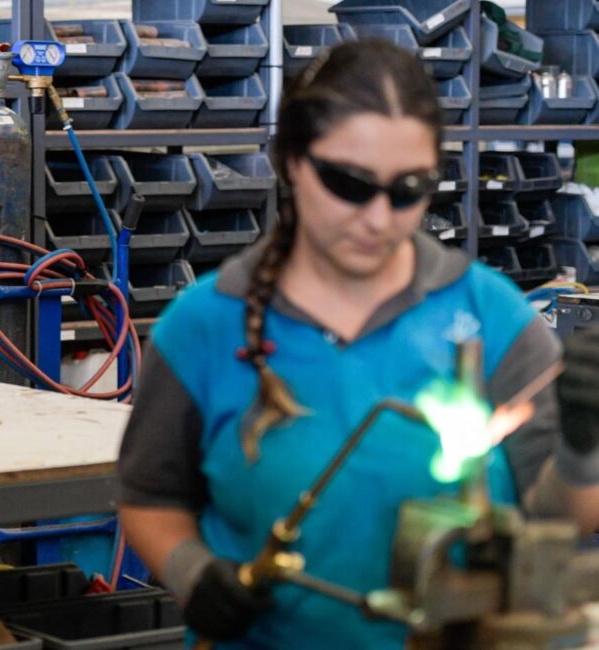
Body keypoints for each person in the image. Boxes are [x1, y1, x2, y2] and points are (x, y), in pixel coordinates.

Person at [117, 40, 599, 649]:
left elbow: (565, 519)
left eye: (408, 190)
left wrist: (584, 448)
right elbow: (149, 495)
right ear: (291, 160)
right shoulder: (206, 324)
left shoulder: (489, 315)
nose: (378, 219)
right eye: (350, 183)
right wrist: (195, 575)